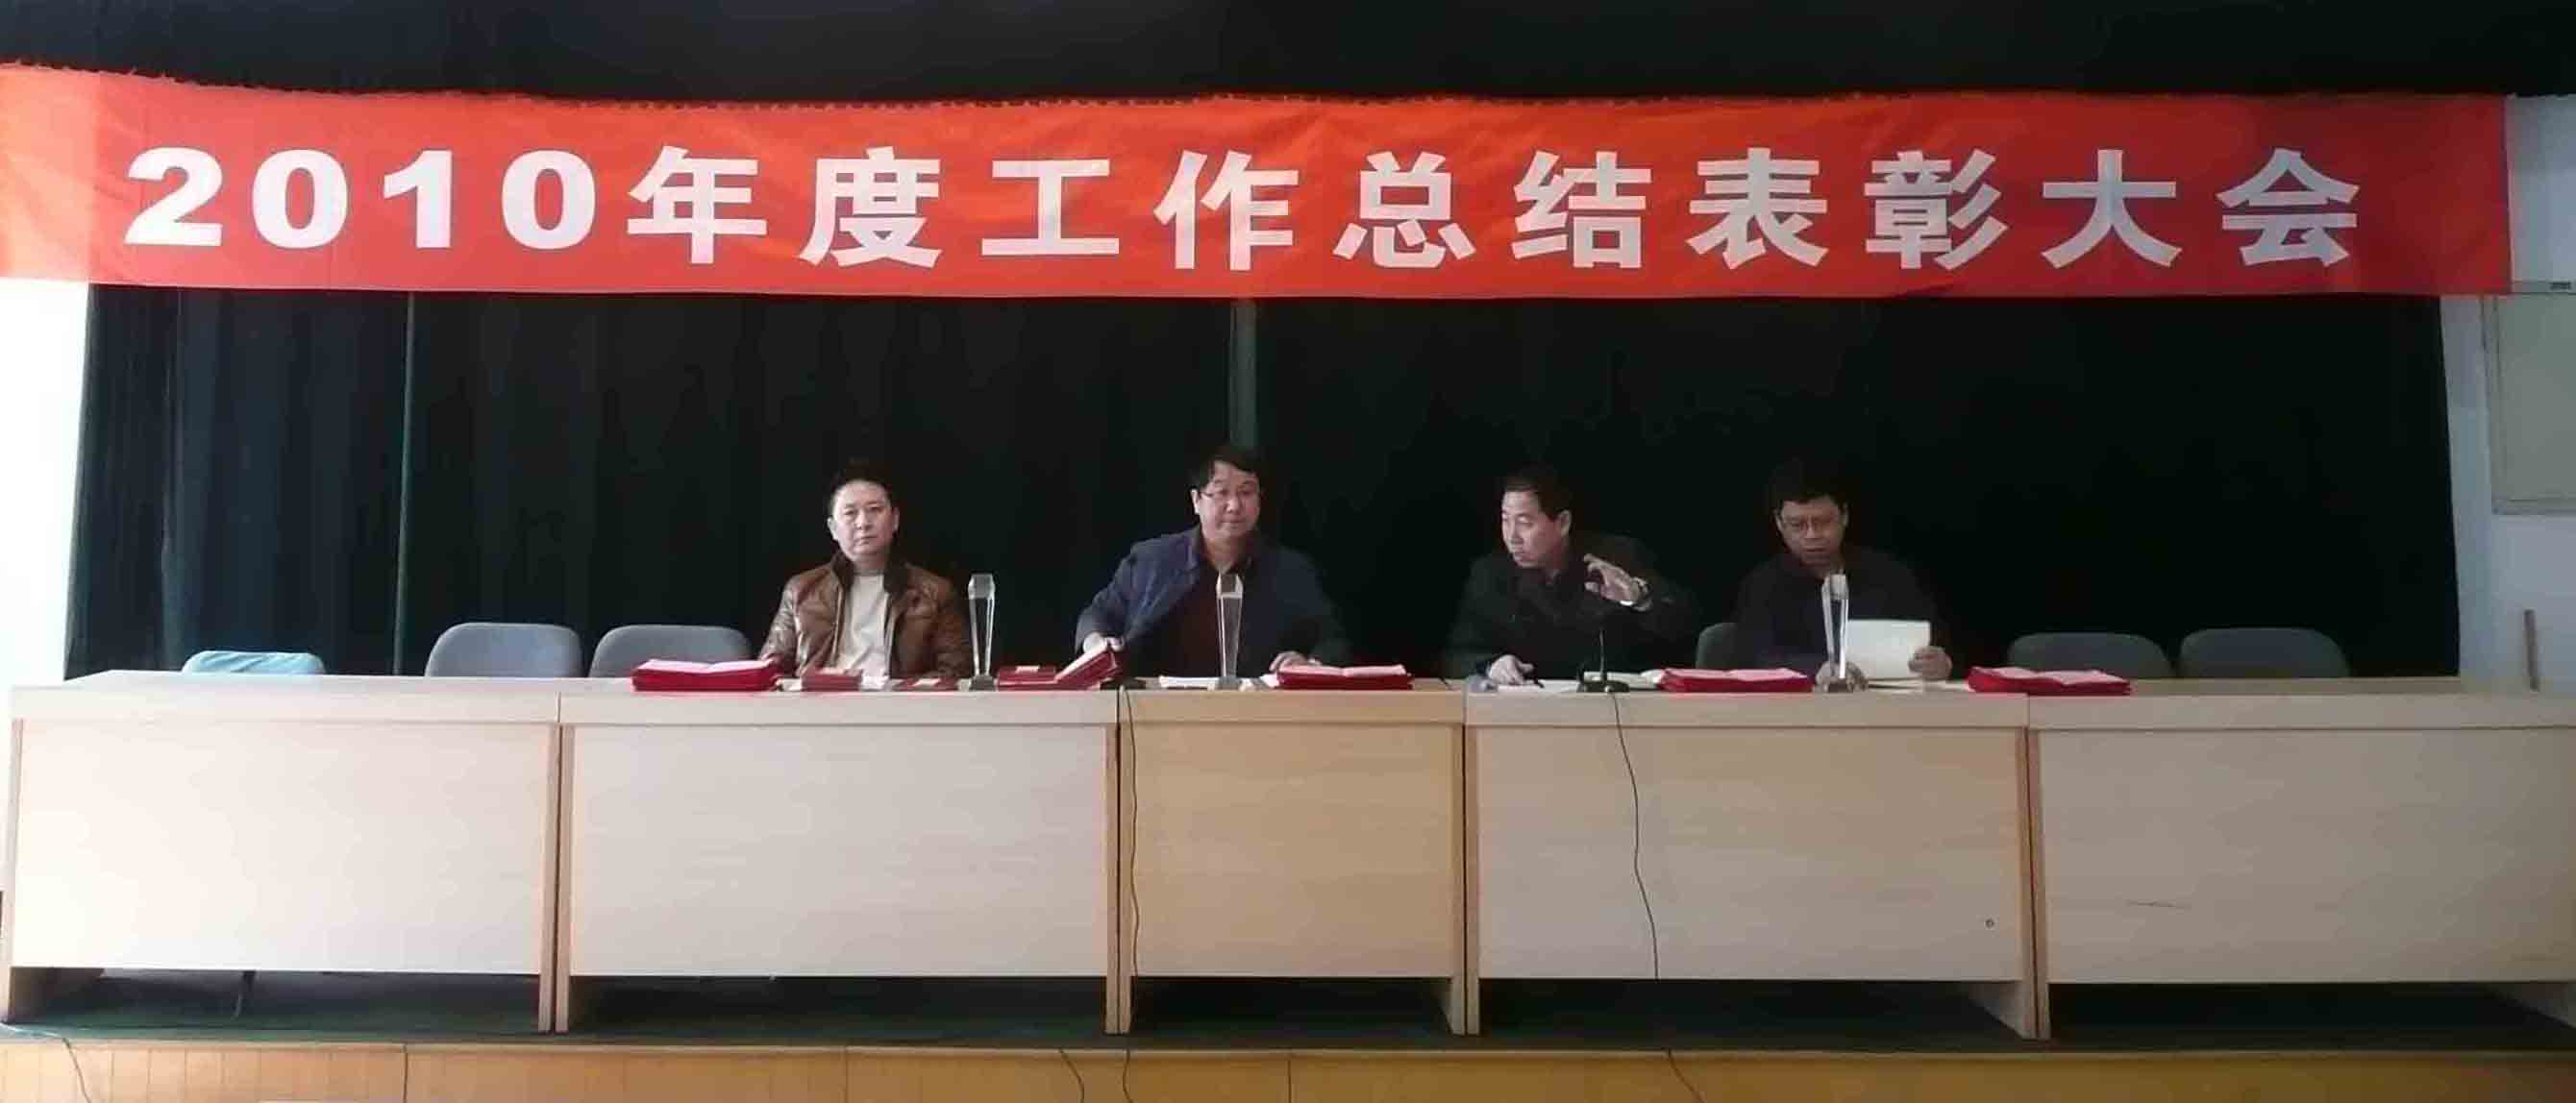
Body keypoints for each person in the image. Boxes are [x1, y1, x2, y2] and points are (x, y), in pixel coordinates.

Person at [1076, 445, 1350, 676]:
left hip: (1263, 711)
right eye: (1221, 493)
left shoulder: (1291, 570)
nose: (1235, 505)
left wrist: (1310, 665)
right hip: (1159, 709)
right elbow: (1098, 615)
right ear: (1196, 500)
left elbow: (1333, 639)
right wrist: (1096, 644)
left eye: (1246, 492)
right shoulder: (1151, 561)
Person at [1444, 466, 1698, 684]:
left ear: (1563, 523)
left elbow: (1685, 628)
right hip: (1524, 710)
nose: (1512, 537)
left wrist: (1640, 599)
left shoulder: (1616, 558)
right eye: (1505, 520)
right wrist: (1491, 664)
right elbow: (1456, 655)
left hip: (1614, 711)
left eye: (1524, 523)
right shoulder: (1490, 574)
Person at [1731, 459, 1952, 680]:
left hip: (1886, 697)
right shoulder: (1762, 585)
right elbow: (1755, 657)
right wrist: (1817, 669)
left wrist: (1941, 663)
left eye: (1823, 522)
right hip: (1798, 699)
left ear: (1844, 516)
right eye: (1798, 525)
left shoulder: (1891, 576)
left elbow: (1935, 640)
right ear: (1779, 523)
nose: (1812, 535)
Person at [758, 459, 972, 678]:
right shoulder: (801, 590)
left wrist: (900, 691)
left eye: (875, 510)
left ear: (895, 520)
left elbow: (956, 670)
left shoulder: (935, 592)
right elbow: (769, 671)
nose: (863, 523)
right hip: (821, 697)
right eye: (850, 513)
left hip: (898, 699)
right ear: (833, 528)